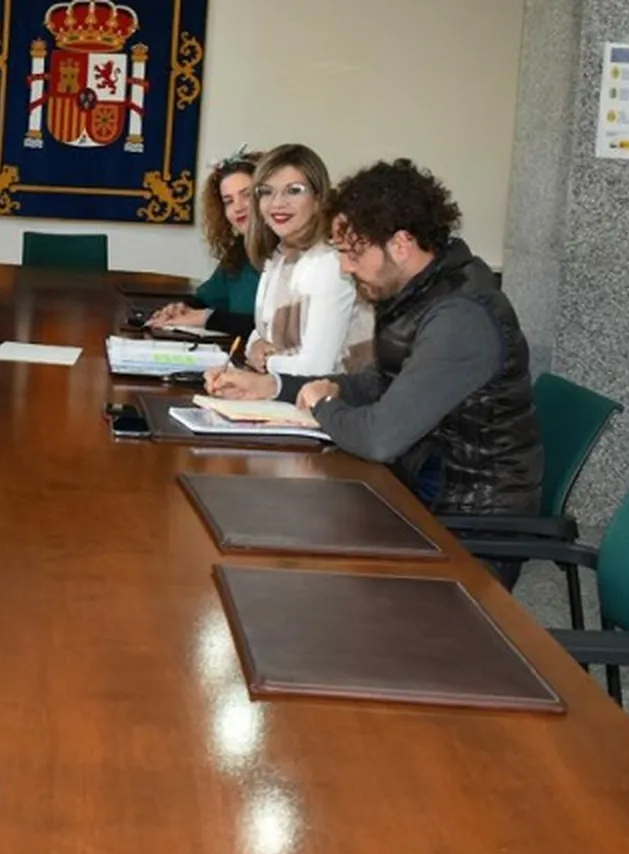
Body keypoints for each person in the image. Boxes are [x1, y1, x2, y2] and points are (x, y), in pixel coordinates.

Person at [205, 159, 543, 586]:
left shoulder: (459, 318)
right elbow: (379, 382)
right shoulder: (416, 293)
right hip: (420, 490)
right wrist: (276, 386)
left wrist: (323, 405)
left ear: (400, 244)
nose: (346, 267)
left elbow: (380, 438)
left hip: (467, 525)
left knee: (287, 566)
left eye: (353, 252)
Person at [241, 143, 371, 375]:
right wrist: (254, 347)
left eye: (294, 190)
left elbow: (315, 368)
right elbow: (263, 330)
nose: (278, 203)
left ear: (318, 199)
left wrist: (266, 361)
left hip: (335, 393)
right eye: (267, 192)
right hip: (283, 388)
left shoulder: (331, 262)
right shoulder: (280, 256)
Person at [145, 146, 261, 340]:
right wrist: (181, 308)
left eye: (246, 195)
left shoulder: (289, 252)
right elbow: (207, 298)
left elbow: (277, 329)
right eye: (228, 201)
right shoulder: (240, 249)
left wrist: (205, 318)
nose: (238, 207)